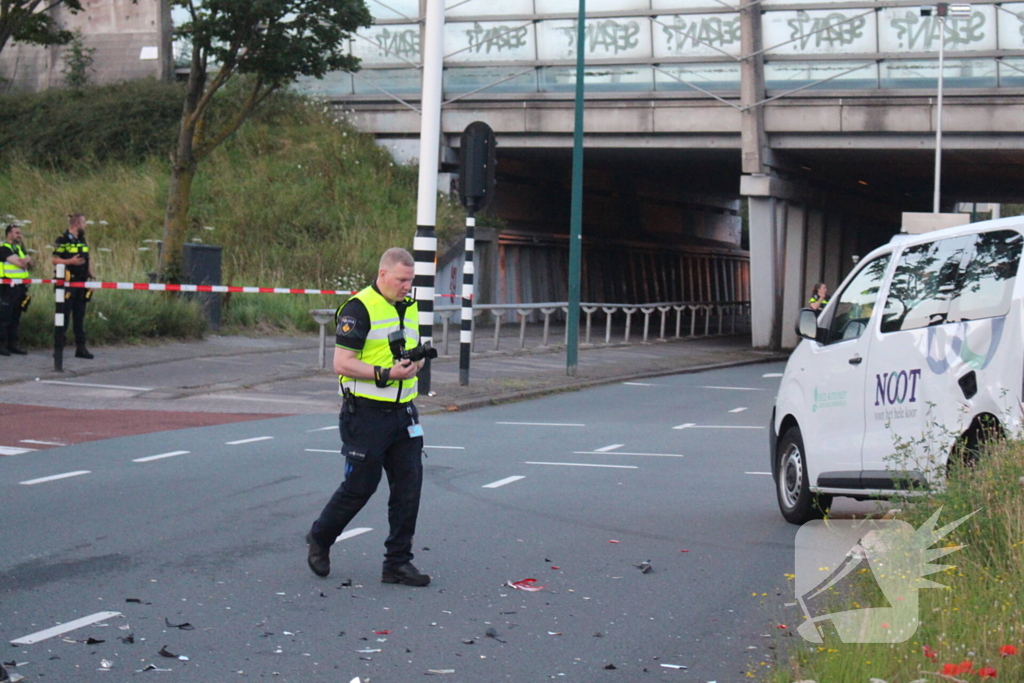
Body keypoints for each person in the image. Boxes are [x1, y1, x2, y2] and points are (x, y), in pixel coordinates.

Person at [306, 247, 430, 586]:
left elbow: (414, 352)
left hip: (404, 413)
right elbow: (342, 363)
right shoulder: (358, 308)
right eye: (402, 280)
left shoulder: (409, 306)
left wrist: (416, 362)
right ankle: (321, 537)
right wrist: (387, 373)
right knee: (360, 487)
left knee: (408, 489)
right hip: (365, 414)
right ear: (383, 274)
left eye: (410, 280)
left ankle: (398, 563)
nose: (407, 286)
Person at [52, 213, 94, 359]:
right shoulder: (62, 239)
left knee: (79, 317)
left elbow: (88, 260)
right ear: (77, 224)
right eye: (84, 222)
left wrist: (92, 278)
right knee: (63, 317)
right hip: (67, 284)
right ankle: (58, 349)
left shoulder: (82, 240)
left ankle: (81, 348)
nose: (85, 225)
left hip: (82, 283)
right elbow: (54, 260)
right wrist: (70, 262)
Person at [0, 224, 34, 356]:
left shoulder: (19, 249)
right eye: (17, 233)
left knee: (16, 317)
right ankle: (2, 345)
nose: (19, 235)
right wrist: (27, 259)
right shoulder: (4, 249)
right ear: (9, 234)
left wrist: (28, 259)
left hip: (20, 287)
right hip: (8, 288)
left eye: (20, 233)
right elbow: (20, 263)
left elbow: (32, 265)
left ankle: (13, 345)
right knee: (5, 318)